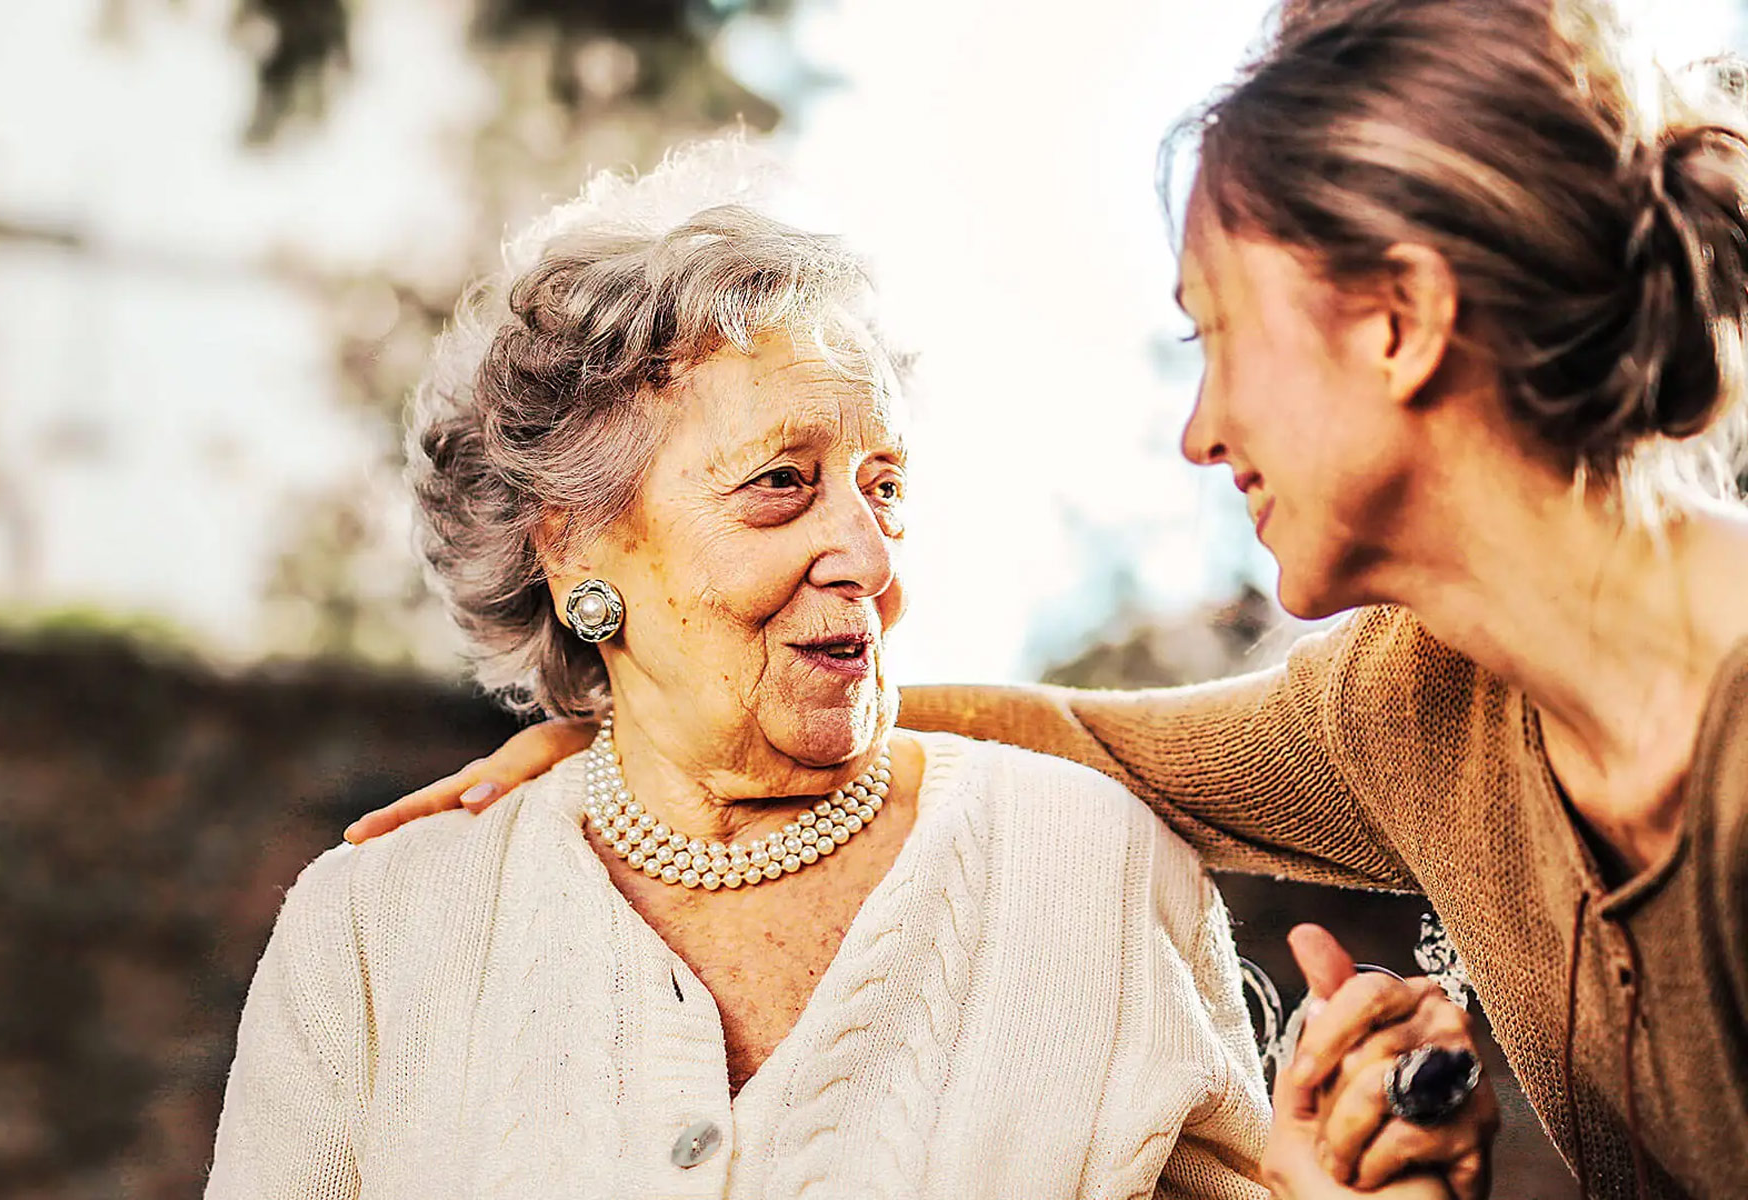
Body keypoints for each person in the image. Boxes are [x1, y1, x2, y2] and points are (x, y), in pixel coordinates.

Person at [349, 2, 1748, 1198]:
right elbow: (1097, 742)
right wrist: (658, 733)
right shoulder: (1414, 703)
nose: (1200, 430)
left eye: (1218, 336)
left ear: (1400, 320)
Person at [205, 146, 1395, 1199]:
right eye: (783, 483)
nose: (870, 558)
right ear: (572, 552)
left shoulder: (1096, 873)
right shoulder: (372, 935)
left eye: (884, 488)